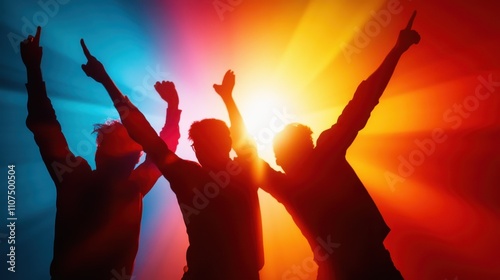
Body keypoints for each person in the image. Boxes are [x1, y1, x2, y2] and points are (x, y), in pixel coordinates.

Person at [218, 12, 421, 280]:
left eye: (282, 155)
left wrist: (229, 101)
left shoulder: (300, 178)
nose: (281, 160)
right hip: (361, 266)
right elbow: (363, 101)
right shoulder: (320, 160)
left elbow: (363, 101)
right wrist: (396, 51)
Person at [80, 40, 264, 279]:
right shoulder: (229, 172)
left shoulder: (198, 175)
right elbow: (146, 135)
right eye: (199, 144)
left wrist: (107, 81)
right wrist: (226, 100)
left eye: (206, 142)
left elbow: (147, 136)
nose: (201, 149)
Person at [21, 26, 181, 280]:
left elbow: (45, 127)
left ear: (100, 153)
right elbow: (165, 150)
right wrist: (172, 108)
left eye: (105, 141)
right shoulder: (132, 186)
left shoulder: (78, 177)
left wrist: (33, 68)